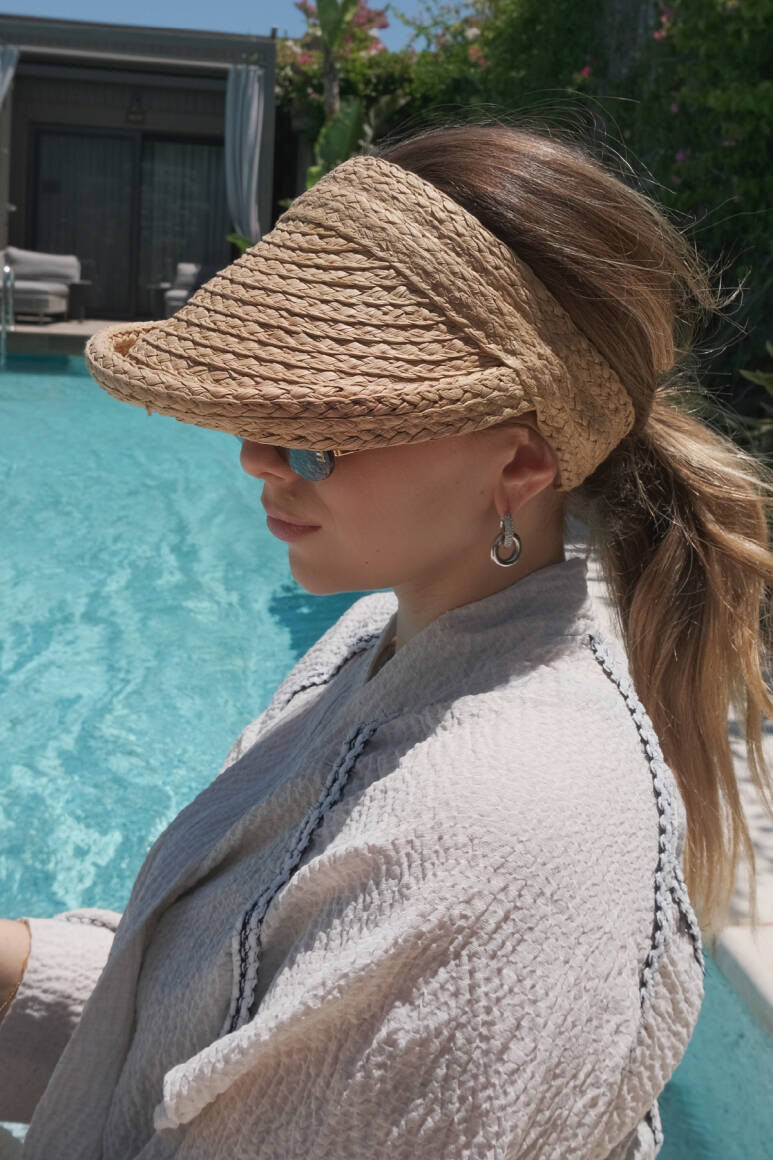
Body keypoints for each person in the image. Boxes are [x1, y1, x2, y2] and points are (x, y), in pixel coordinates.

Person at [1, 119, 772, 1159]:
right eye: (259, 401)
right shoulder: (381, 636)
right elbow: (235, 1016)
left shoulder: (494, 834)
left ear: (520, 464)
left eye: (319, 431)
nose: (256, 454)